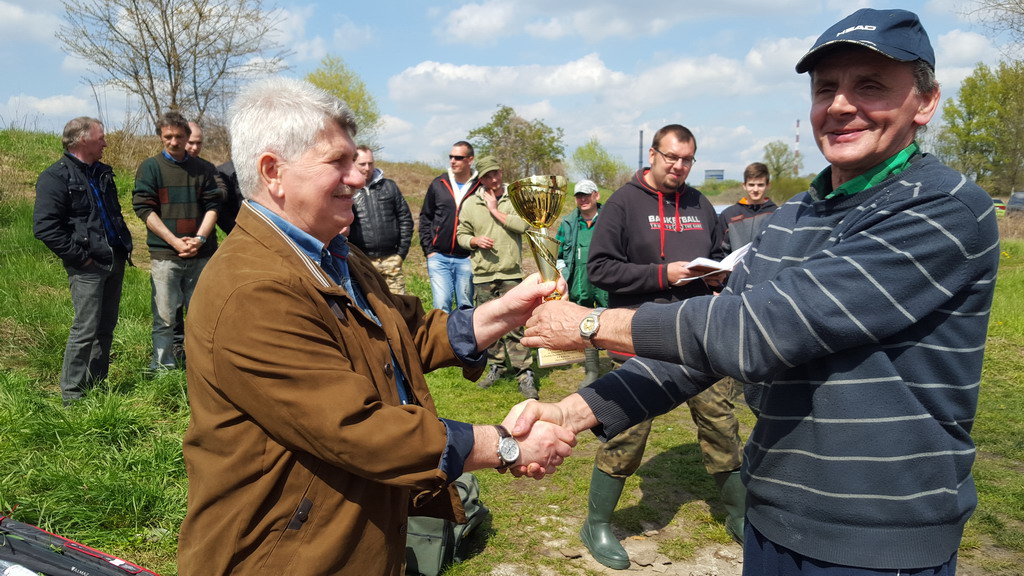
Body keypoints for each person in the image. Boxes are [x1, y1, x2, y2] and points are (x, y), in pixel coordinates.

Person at [517, 8, 999, 575]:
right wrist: (570, 411)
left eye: (870, 85)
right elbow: (703, 345)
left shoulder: (943, 207)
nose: (840, 104)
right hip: (772, 525)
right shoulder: (792, 219)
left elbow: (761, 331)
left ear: (925, 101)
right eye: (826, 88)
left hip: (874, 542)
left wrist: (592, 325)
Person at [176, 77, 575, 576]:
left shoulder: (334, 254)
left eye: (354, 160)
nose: (357, 176)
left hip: (354, 536)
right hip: (285, 554)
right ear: (273, 171)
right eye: (336, 162)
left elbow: (403, 333)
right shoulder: (253, 290)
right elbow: (355, 429)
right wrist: (506, 444)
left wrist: (504, 312)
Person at [580, 124, 746, 568]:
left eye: (687, 160)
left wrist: (716, 276)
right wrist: (661, 275)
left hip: (697, 336)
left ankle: (740, 515)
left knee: (720, 423)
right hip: (640, 337)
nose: (679, 167)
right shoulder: (622, 205)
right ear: (653, 154)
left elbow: (717, 250)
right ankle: (597, 523)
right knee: (628, 433)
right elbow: (599, 270)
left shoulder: (699, 203)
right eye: (671, 157)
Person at [32, 117, 134, 405]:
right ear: (82, 140)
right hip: (88, 265)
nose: (106, 142)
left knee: (106, 326)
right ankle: (73, 396)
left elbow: (112, 215)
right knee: (86, 328)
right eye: (100, 137)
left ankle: (96, 386)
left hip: (114, 257)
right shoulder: (55, 177)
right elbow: (45, 227)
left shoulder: (103, 173)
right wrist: (81, 259)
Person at [132, 112, 220, 372]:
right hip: (165, 255)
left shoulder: (203, 169)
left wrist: (200, 238)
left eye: (179, 136)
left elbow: (213, 206)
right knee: (165, 316)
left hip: (201, 254)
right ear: (160, 136)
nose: (173, 142)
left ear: (187, 137)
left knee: (201, 316)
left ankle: (200, 367)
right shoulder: (151, 167)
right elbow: (144, 209)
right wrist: (174, 242)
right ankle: (163, 369)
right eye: (168, 136)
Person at [456, 155, 538, 399]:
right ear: (480, 178)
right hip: (483, 275)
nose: (494, 178)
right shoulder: (470, 204)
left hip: (511, 272)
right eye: (488, 175)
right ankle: (497, 367)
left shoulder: (514, 198)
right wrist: (473, 241)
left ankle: (525, 373)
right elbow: (461, 234)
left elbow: (524, 225)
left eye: (497, 173)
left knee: (516, 325)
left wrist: (494, 210)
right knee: (489, 326)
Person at [555, 179, 609, 386]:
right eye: (579, 196)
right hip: (579, 281)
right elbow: (559, 255)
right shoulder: (568, 223)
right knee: (584, 324)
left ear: (597, 195)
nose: (583, 199)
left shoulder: (611, 219)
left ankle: (616, 362)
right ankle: (592, 369)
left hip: (606, 281)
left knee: (611, 319)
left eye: (587, 194)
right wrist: (561, 275)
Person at [419, 141, 480, 310]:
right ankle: (442, 337)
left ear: (470, 160)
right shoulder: (439, 183)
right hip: (439, 257)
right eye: (451, 157)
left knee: (466, 305)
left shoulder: (479, 187)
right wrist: (429, 250)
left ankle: (463, 337)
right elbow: (426, 217)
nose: (453, 161)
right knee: (441, 304)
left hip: (468, 258)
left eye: (458, 158)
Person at [348, 145, 414, 295]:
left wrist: (400, 254)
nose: (367, 168)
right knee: (373, 307)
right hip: (363, 261)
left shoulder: (389, 187)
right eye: (362, 164)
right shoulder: (348, 190)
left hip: (391, 258)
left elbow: (405, 220)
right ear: (353, 164)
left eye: (370, 163)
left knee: (401, 305)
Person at [718, 162, 778, 255]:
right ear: (744, 186)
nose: (755, 189)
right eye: (751, 185)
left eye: (760, 185)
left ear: (768, 186)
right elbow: (719, 252)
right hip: (734, 269)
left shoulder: (777, 214)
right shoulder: (728, 215)